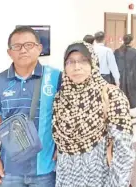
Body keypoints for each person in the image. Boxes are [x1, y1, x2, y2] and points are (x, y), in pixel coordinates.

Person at [53, 41, 134, 187]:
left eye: (83, 61)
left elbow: (124, 149)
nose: (77, 67)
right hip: (66, 178)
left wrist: (117, 184)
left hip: (100, 177)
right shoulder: (61, 98)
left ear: (93, 64)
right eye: (70, 62)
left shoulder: (111, 95)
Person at [0, 26, 61, 187]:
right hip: (10, 169)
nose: (23, 50)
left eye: (29, 45)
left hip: (45, 169)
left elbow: (67, 115)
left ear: (39, 48)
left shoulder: (55, 77)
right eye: (17, 46)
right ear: (9, 52)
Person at [114, 34, 136, 109]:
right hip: (132, 76)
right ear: (132, 41)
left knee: (122, 94)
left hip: (120, 76)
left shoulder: (117, 51)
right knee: (132, 95)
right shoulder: (134, 52)